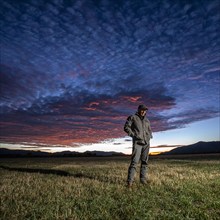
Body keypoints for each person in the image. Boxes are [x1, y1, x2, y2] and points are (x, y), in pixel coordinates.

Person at [124, 104, 153, 187]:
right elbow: (126, 127)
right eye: (142, 110)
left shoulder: (147, 120)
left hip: (146, 143)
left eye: (145, 110)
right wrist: (134, 135)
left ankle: (143, 180)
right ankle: (130, 182)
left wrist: (149, 136)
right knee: (134, 162)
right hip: (137, 143)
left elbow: (149, 130)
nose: (143, 111)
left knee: (145, 162)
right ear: (139, 109)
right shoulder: (132, 117)